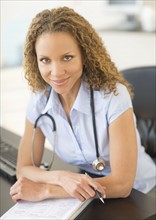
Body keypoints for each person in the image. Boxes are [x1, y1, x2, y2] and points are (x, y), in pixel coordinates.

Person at [10, 6, 155, 203]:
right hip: (90, 193)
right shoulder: (40, 99)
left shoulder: (112, 96)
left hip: (142, 194)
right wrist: (61, 178)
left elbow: (122, 185)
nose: (56, 72)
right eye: (45, 60)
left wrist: (46, 189)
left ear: (84, 55)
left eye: (67, 58)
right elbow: (23, 168)